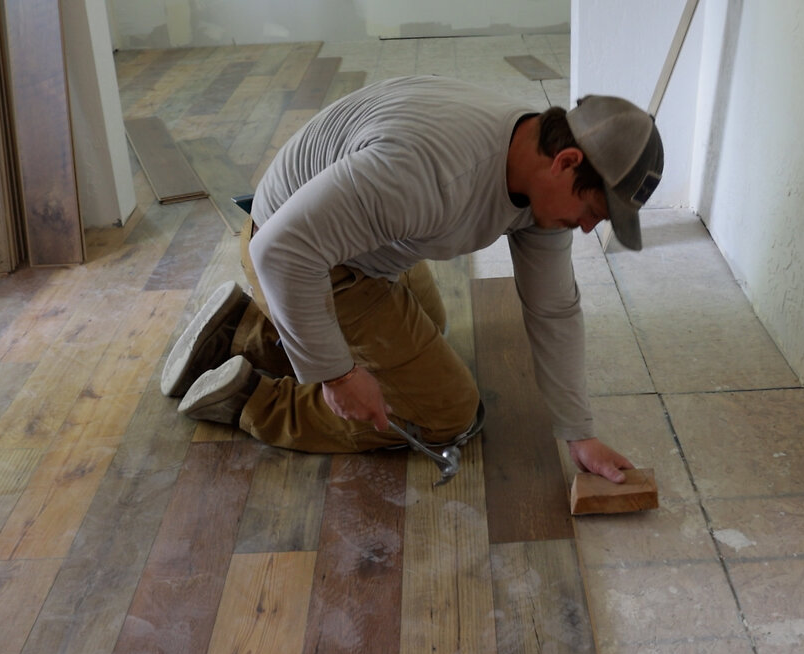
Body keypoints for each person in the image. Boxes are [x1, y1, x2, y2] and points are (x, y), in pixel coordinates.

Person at [159, 75, 663, 483]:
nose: (590, 227)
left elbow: (553, 308)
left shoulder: (534, 162)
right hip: (295, 254)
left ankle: (239, 335)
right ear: (567, 161)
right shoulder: (433, 171)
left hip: (342, 239)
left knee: (431, 323)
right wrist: (337, 376)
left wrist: (580, 434)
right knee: (446, 412)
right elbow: (280, 250)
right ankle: (249, 396)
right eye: (593, 210)